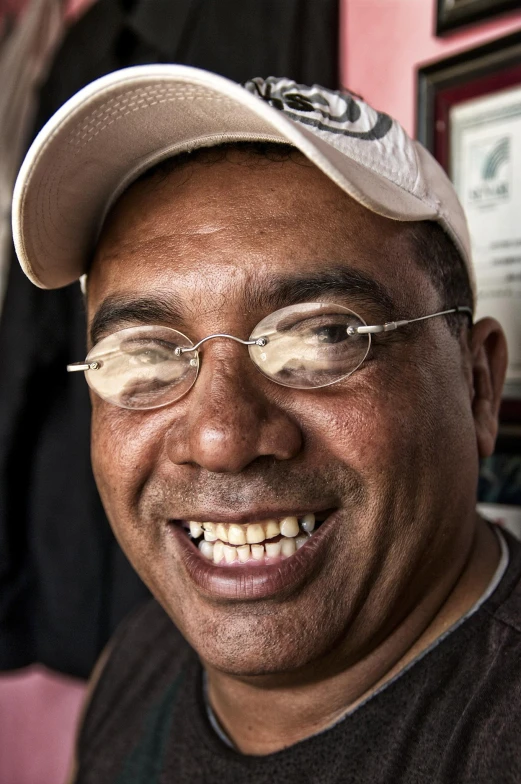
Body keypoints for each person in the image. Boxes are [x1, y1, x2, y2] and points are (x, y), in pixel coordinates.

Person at [11, 66, 519, 783]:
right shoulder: (140, 657)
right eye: (147, 355)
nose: (220, 439)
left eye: (322, 337)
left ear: (477, 387)